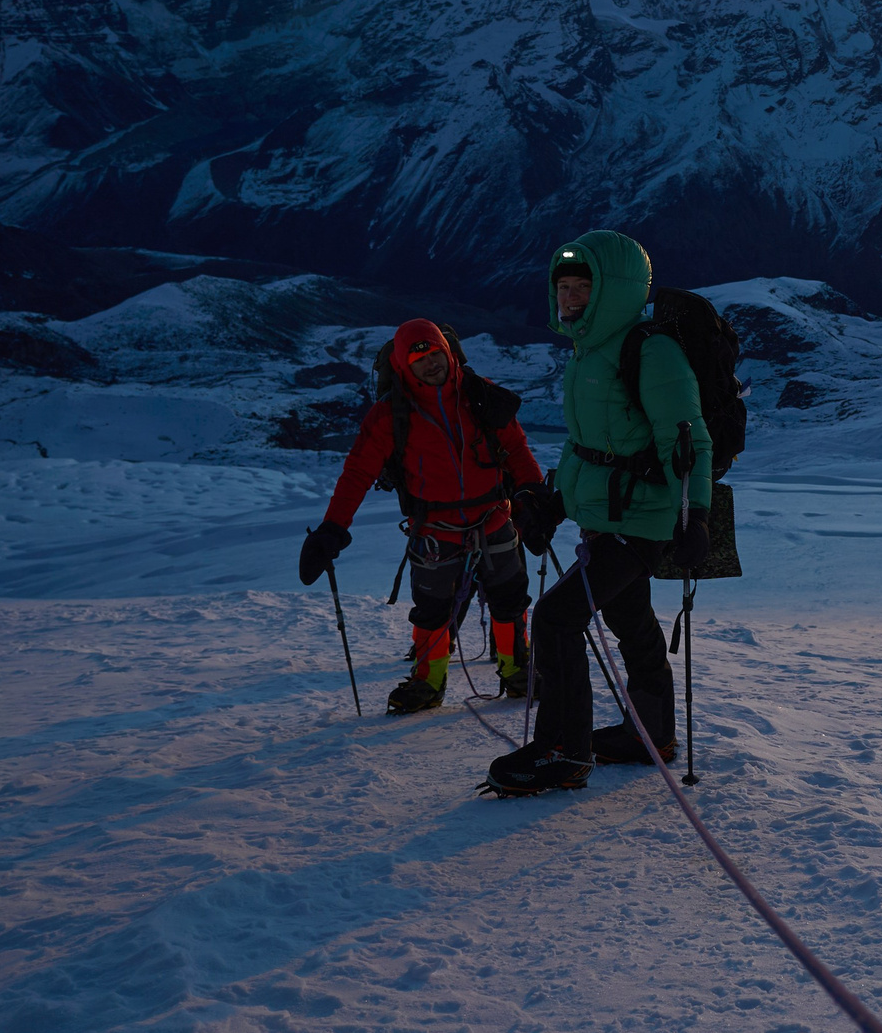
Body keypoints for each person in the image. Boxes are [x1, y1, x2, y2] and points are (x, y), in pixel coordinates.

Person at [487, 232, 712, 796]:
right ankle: (651, 735)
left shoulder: (651, 352)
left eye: (582, 288)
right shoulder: (589, 350)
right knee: (629, 620)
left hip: (642, 519)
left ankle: (564, 751)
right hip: (608, 516)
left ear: (614, 290)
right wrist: (556, 503)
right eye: (562, 287)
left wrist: (697, 515)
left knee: (556, 618)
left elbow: (687, 441)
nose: (568, 298)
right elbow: (585, 446)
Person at [299, 318, 543, 712]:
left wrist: (533, 496)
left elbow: (516, 450)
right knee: (432, 611)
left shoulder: (481, 396)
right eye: (419, 360)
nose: (431, 364)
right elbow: (357, 473)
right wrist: (332, 529)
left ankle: (517, 671)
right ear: (403, 366)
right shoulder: (390, 415)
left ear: (448, 352)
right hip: (436, 530)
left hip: (493, 517)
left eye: (435, 354)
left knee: (510, 599)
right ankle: (429, 682)